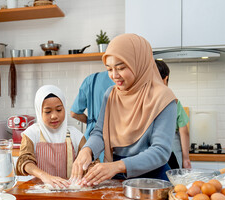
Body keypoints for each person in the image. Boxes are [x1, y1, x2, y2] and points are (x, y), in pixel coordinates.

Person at [70, 33, 177, 186]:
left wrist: (118, 166)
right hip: (116, 177)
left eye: (121, 68)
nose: (114, 75)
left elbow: (160, 152)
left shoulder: (163, 97)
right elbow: (100, 132)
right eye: (109, 69)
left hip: (153, 181)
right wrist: (87, 150)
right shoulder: (111, 94)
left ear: (139, 63)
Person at [16, 85, 86, 188]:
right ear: (39, 112)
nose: (54, 116)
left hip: (70, 191)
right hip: (39, 191)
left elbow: (90, 162)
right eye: (48, 112)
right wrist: (44, 176)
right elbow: (24, 161)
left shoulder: (75, 135)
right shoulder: (32, 134)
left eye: (59, 110)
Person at [155, 60, 192, 169]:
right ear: (166, 79)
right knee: (175, 183)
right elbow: (184, 131)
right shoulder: (174, 102)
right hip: (172, 152)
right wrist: (186, 159)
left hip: (152, 155)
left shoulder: (144, 102)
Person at [70, 71, 115, 161]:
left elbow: (74, 113)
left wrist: (92, 121)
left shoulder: (91, 80)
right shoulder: (129, 79)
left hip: (93, 144)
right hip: (120, 142)